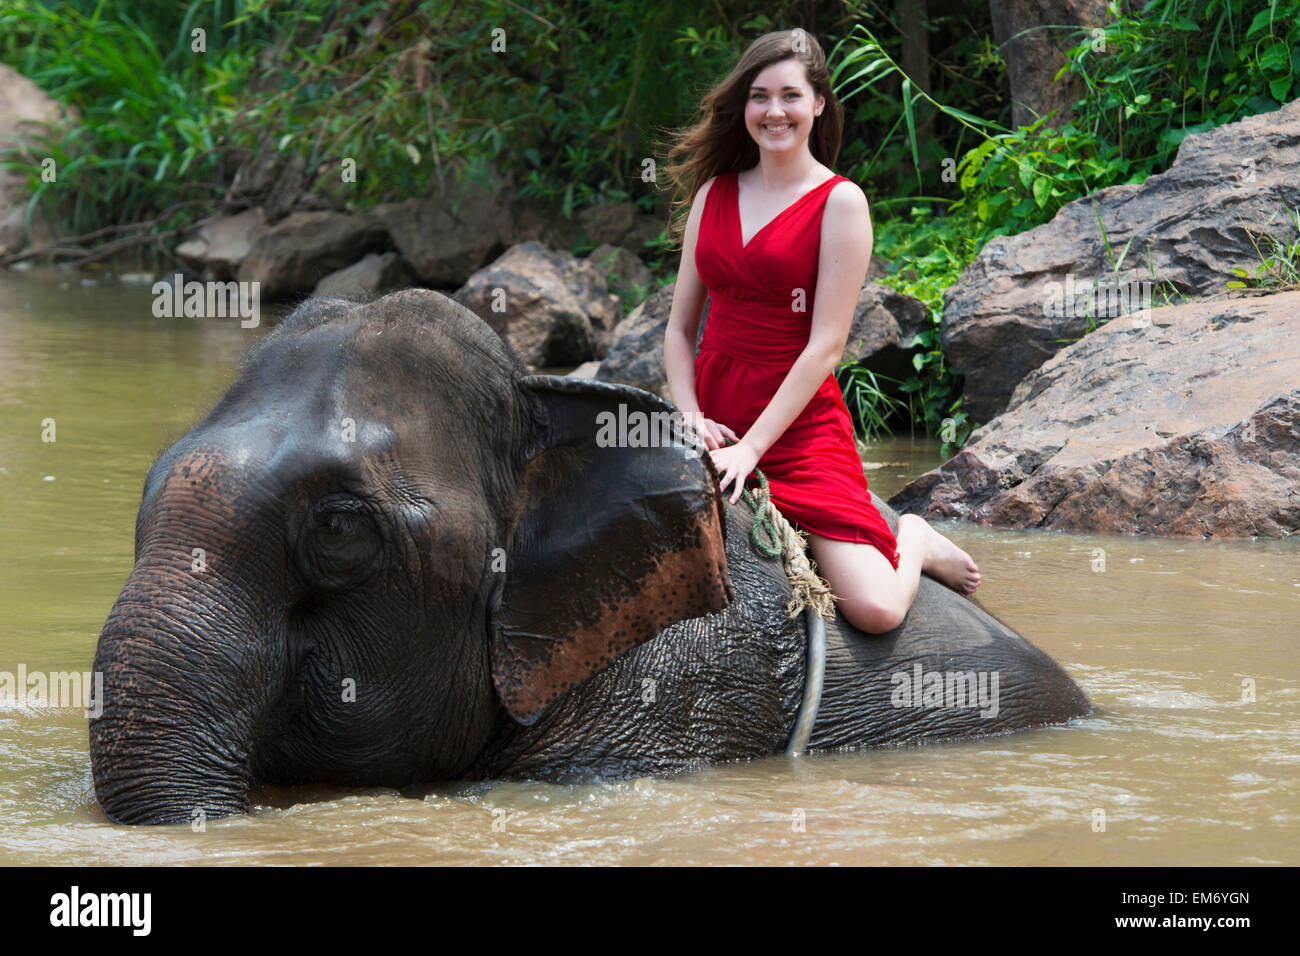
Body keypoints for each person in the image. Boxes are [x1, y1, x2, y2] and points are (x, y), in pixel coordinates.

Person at [661, 28, 981, 635]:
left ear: (818, 104)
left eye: (789, 95)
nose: (773, 111)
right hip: (713, 417)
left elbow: (825, 347)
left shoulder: (840, 203)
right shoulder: (712, 194)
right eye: (759, 96)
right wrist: (688, 416)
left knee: (877, 611)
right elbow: (679, 330)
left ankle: (912, 538)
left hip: (796, 427)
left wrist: (751, 449)